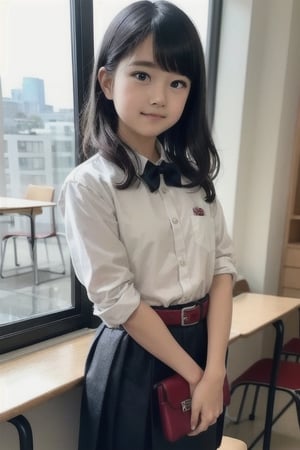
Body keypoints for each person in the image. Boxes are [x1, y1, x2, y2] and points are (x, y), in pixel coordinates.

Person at [58, 1, 236, 449]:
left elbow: (222, 270)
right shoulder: (89, 186)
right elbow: (118, 300)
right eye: (142, 75)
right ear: (106, 81)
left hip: (203, 348)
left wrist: (214, 370)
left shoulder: (196, 180)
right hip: (135, 357)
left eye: (177, 82)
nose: (160, 96)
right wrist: (197, 376)